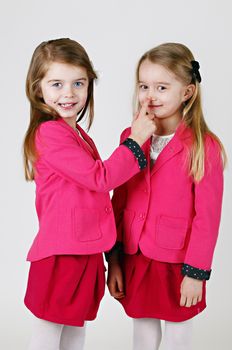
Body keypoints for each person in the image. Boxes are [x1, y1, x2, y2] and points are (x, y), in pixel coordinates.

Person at [23, 38, 156, 350]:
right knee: (47, 334)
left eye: (78, 83)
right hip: (60, 255)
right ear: (38, 88)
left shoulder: (78, 135)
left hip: (84, 252)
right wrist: (135, 140)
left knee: (74, 331)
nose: (68, 94)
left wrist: (111, 257)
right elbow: (102, 178)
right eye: (56, 84)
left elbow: (96, 203)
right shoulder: (50, 133)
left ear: (88, 86)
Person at [107, 42, 226, 350]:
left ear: (187, 92)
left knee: (178, 335)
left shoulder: (204, 146)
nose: (150, 95)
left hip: (178, 262)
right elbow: (118, 201)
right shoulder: (131, 137)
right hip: (136, 257)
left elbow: (207, 218)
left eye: (161, 87)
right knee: (143, 333)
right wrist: (115, 259)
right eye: (144, 85)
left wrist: (196, 274)